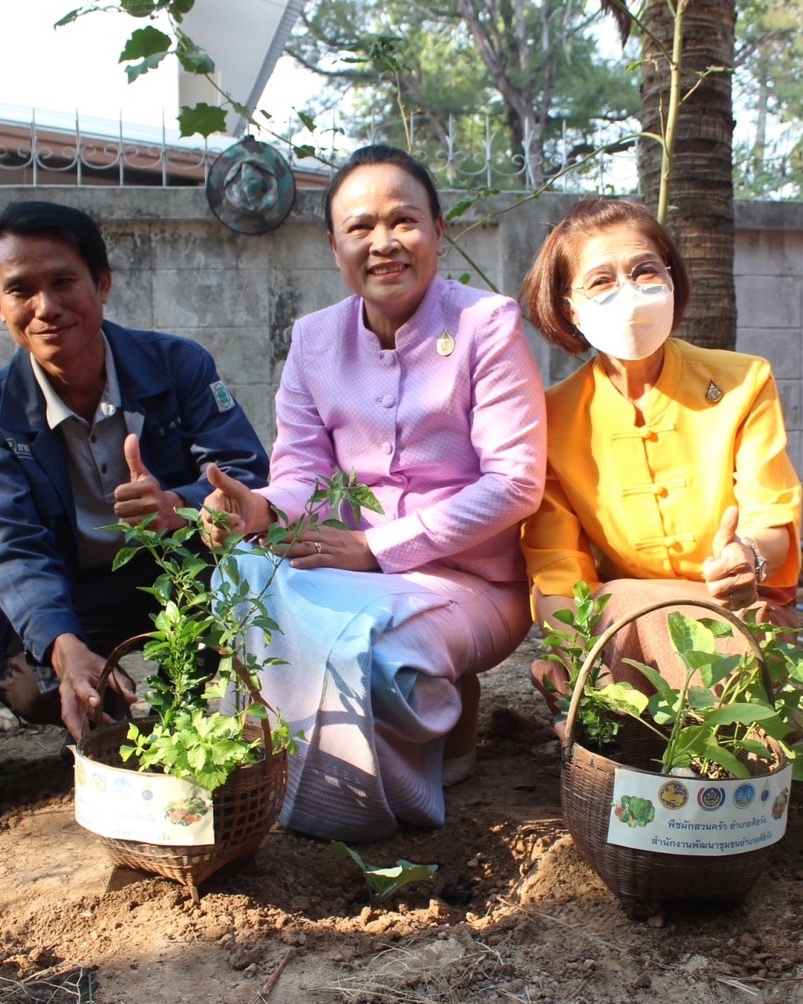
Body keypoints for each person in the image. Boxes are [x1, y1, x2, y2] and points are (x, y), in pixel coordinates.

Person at [201, 145, 546, 842]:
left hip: (473, 580)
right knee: (241, 571)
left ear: (438, 232)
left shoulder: (487, 325)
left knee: (384, 663)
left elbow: (515, 484)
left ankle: (392, 795)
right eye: (360, 228)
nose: (383, 243)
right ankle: (292, 771)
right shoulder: (313, 340)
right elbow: (302, 471)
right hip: (351, 562)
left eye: (404, 221)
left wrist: (376, 547)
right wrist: (263, 509)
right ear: (334, 247)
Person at [0, 201, 269, 742]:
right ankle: (104, 703)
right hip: (72, 585)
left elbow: (243, 469)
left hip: (175, 568)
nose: (46, 307)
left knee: (227, 642)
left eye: (63, 281)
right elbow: (14, 549)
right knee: (33, 690)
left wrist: (179, 506)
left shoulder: (179, 366)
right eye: (21, 290)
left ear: (102, 283)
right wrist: (64, 648)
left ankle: (192, 702)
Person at [519, 198, 803, 700]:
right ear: (569, 306)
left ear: (671, 280)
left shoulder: (742, 381)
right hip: (625, 620)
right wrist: (564, 647)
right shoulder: (552, 415)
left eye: (644, 271)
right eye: (601, 281)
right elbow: (557, 561)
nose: (628, 293)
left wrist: (748, 556)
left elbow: (772, 518)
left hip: (737, 605)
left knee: (636, 612)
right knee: (622, 606)